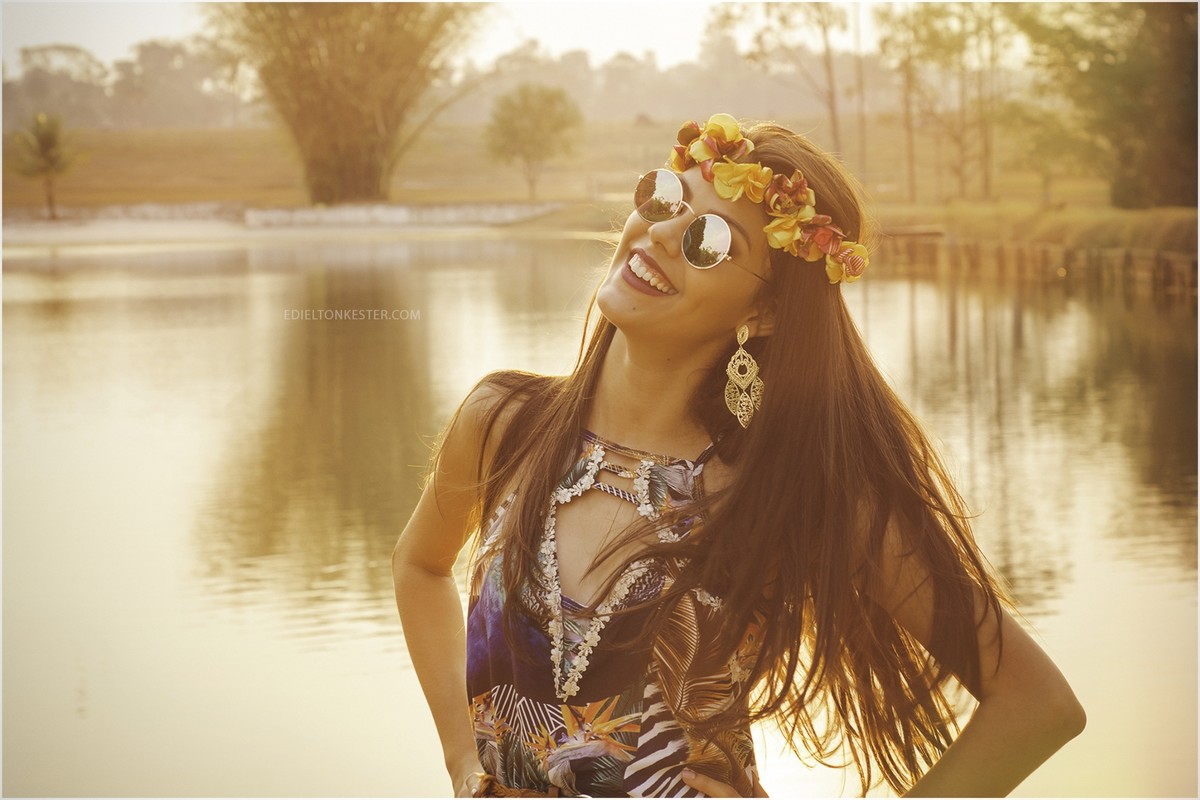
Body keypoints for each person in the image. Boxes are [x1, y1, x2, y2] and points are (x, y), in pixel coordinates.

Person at [392, 113, 1085, 798]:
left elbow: (1036, 706)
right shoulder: (503, 422)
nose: (661, 232)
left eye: (709, 240)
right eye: (666, 199)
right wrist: (460, 754)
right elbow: (420, 565)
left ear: (766, 312)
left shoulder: (780, 488)